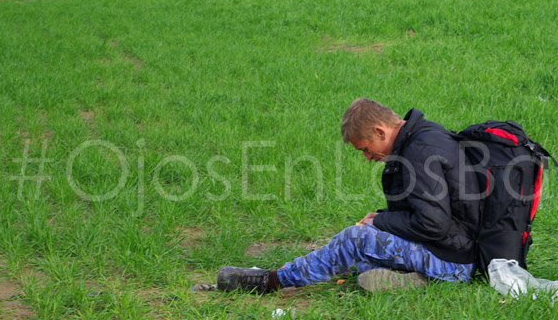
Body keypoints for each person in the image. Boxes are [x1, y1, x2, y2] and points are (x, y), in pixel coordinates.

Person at [199, 98, 482, 294]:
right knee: (356, 255)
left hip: (455, 262)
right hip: (458, 249)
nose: (368, 157)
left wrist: (380, 224)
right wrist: (383, 218)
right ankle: (411, 280)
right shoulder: (425, 134)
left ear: (380, 131)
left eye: (365, 148)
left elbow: (433, 224)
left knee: (355, 240)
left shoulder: (419, 153)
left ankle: (271, 281)